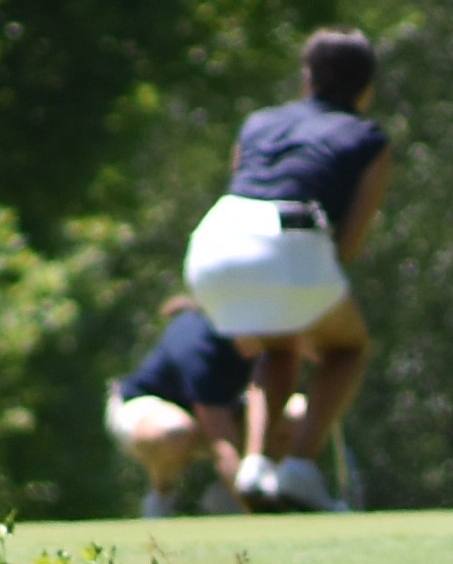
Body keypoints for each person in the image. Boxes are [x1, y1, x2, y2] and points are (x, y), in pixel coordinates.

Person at [214, 27, 395, 511]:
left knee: (280, 344)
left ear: (307, 77)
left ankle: (254, 465)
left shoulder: (257, 123)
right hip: (291, 238)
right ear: (367, 86)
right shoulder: (369, 137)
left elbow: (242, 187)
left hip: (214, 241)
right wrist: (315, 300)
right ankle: (300, 467)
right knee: (347, 347)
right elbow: (348, 242)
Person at [103, 291, 263, 515]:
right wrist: (256, 510)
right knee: (174, 431)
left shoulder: (264, 337)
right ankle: (161, 498)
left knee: (294, 414)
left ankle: (225, 499)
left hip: (215, 413)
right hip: (146, 409)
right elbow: (222, 445)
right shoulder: (198, 345)